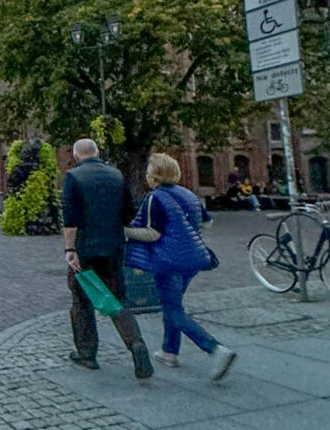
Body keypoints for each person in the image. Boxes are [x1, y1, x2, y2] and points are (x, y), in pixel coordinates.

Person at [125, 153, 236, 380]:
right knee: (172, 304)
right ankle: (169, 351)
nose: (146, 175)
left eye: (148, 171)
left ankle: (215, 349)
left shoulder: (155, 198)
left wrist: (124, 231)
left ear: (156, 176)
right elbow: (207, 222)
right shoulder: (189, 195)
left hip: (168, 262)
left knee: (173, 309)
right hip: (192, 261)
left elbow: (152, 233)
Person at [62, 138, 152, 379]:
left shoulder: (73, 177)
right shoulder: (116, 176)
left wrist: (69, 249)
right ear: (97, 152)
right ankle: (136, 343)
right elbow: (128, 214)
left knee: (81, 301)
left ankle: (87, 354)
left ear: (76, 156)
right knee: (117, 298)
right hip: (113, 249)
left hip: (85, 251)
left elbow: (70, 219)